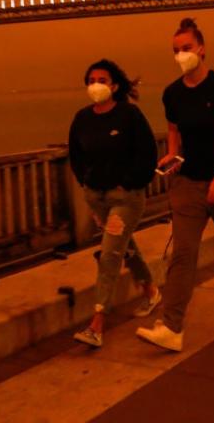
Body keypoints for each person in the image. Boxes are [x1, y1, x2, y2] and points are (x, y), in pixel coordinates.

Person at [136, 18, 214, 352]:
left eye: (186, 48)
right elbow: (174, 130)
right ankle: (171, 326)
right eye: (176, 50)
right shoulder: (172, 94)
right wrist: (172, 155)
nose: (181, 55)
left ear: (201, 49)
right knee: (183, 253)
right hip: (189, 184)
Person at [68, 59, 161, 347]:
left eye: (102, 79)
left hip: (126, 198)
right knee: (125, 247)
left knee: (109, 254)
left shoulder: (129, 116)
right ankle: (150, 291)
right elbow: (76, 155)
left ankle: (97, 324)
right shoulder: (82, 118)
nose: (96, 85)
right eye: (91, 79)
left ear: (115, 85)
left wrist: (129, 181)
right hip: (96, 197)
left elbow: (148, 153)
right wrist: (85, 180)